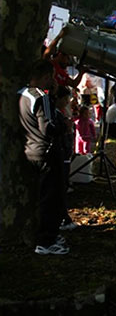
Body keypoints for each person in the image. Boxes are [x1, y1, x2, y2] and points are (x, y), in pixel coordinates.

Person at [19, 59, 68, 255]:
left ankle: (44, 235)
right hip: (47, 151)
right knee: (52, 197)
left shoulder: (23, 94)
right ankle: (47, 240)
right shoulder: (42, 98)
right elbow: (48, 127)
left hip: (30, 148)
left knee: (42, 195)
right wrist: (64, 126)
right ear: (47, 77)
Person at [54, 86, 78, 231]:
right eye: (67, 99)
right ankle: (62, 218)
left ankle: (62, 216)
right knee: (59, 187)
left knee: (61, 186)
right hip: (61, 154)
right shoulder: (55, 114)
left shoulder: (61, 112)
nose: (68, 102)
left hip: (64, 153)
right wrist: (67, 129)